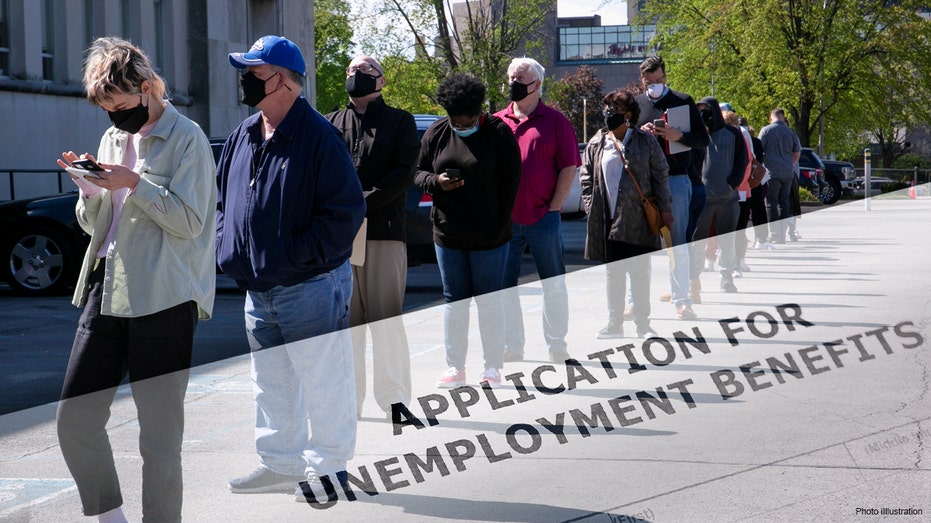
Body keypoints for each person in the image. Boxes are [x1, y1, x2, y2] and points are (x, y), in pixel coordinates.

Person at [55, 36, 216, 523]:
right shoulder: (112, 140)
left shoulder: (187, 137)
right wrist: (89, 191)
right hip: (108, 287)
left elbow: (191, 222)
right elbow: (97, 224)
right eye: (107, 109)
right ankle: (110, 516)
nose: (114, 118)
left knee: (159, 438)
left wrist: (134, 184)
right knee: (75, 420)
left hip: (165, 297)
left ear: (147, 88)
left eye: (121, 105)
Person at [216, 36, 365, 500]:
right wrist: (229, 248)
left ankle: (331, 470)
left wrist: (296, 257)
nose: (243, 81)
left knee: (325, 383)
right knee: (271, 384)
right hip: (258, 289)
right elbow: (225, 202)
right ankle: (281, 464)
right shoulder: (244, 134)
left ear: (281, 79)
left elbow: (345, 213)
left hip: (311, 286)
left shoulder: (320, 136)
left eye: (253, 72)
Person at [325, 55, 418, 418]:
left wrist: (363, 202)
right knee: (347, 326)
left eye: (363, 71)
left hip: (384, 232)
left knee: (386, 322)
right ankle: (350, 401)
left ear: (380, 81)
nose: (354, 74)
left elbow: (403, 172)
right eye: (349, 69)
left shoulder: (400, 121)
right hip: (341, 238)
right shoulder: (330, 122)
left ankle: (394, 400)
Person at [415, 73, 521, 389]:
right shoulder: (436, 132)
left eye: (468, 121)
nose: (462, 126)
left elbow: (511, 185)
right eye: (456, 122)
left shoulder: (500, 134)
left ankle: (492, 367)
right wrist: (437, 183)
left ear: (478, 113)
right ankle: (455, 367)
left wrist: (498, 225)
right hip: (448, 235)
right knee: (455, 302)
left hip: (490, 236)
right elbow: (417, 173)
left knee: (488, 301)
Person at [494, 57, 580, 364]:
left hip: (543, 217)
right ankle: (512, 346)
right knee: (504, 287)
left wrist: (554, 206)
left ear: (537, 84)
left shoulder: (556, 122)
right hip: (505, 222)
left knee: (553, 283)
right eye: (511, 77)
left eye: (521, 78)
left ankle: (557, 344)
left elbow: (569, 166)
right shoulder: (496, 121)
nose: (514, 83)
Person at [580, 87, 671, 339]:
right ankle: (614, 324)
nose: (609, 114)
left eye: (616, 110)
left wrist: (665, 209)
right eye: (607, 109)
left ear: (629, 114)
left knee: (640, 274)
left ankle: (643, 324)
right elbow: (586, 176)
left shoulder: (645, 141)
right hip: (608, 220)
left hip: (639, 219)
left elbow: (660, 175)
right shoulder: (597, 142)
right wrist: (591, 206)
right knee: (614, 274)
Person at [636, 56, 709, 322]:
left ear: (665, 76)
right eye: (649, 81)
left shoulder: (682, 101)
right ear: (642, 80)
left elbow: (703, 139)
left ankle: (682, 301)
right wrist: (639, 132)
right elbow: (623, 140)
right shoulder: (636, 103)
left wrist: (678, 136)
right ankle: (636, 302)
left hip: (676, 179)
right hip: (643, 181)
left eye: (658, 80)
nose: (654, 85)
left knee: (676, 243)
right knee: (638, 244)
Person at [691, 97, 748, 293]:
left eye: (706, 109)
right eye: (699, 110)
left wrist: (731, 185)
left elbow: (742, 161)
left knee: (727, 243)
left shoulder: (733, 133)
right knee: (697, 243)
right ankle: (694, 280)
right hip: (702, 199)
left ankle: (727, 279)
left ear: (715, 110)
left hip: (727, 199)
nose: (703, 114)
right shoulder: (696, 135)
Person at [758, 108, 801, 244]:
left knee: (771, 203)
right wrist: (790, 163)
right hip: (787, 172)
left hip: (772, 173)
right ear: (783, 117)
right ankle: (782, 235)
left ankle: (775, 234)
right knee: (784, 203)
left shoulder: (766, 131)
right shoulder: (790, 132)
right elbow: (797, 152)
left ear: (772, 117)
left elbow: (758, 150)